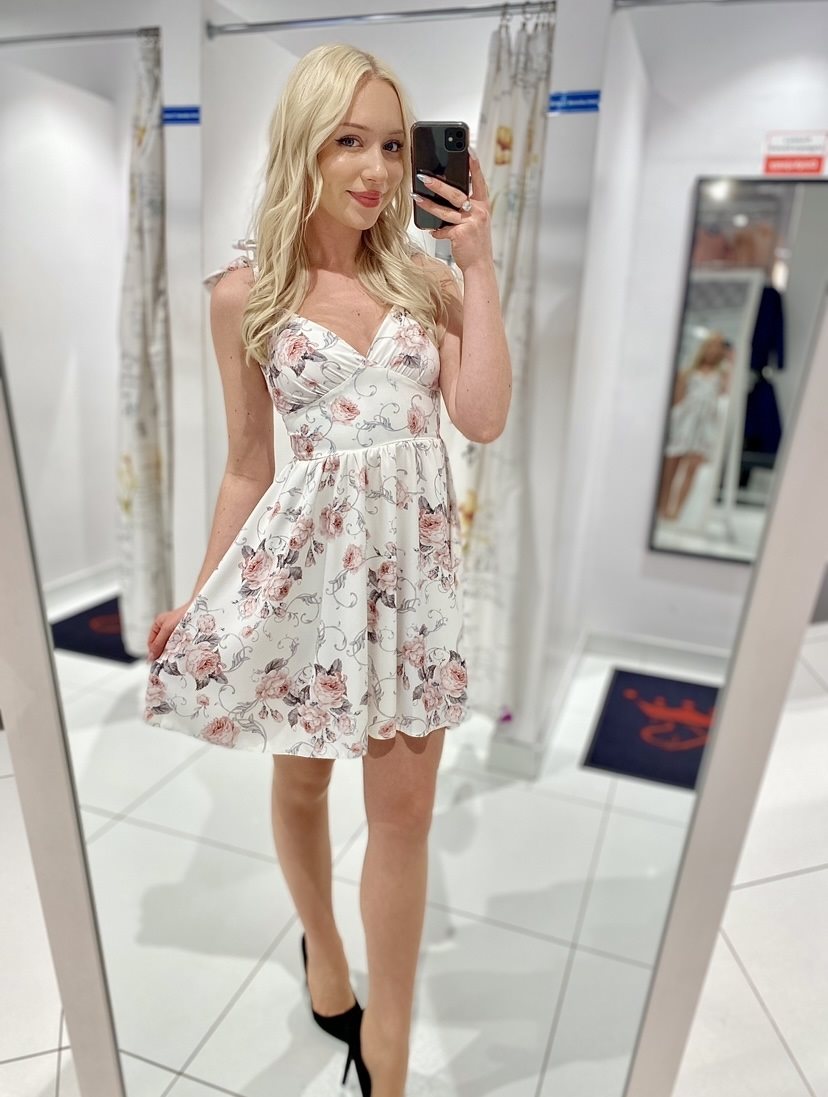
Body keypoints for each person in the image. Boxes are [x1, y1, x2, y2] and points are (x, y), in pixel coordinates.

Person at [142, 43, 511, 1097]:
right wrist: (201, 598)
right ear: (302, 143)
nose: (377, 168)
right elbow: (247, 464)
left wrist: (479, 266)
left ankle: (385, 1050)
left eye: (393, 145)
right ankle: (324, 946)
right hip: (305, 578)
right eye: (350, 140)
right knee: (301, 778)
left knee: (405, 818)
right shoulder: (243, 293)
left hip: (415, 587)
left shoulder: (427, 282)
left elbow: (481, 416)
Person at [658, 331, 733, 522]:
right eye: (711, 345)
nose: (713, 350)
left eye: (718, 347)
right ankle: (663, 506)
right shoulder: (688, 372)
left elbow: (728, 393)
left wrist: (729, 358)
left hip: (705, 427)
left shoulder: (722, 374)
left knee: (691, 469)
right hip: (683, 422)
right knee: (671, 468)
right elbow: (678, 399)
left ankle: (676, 511)